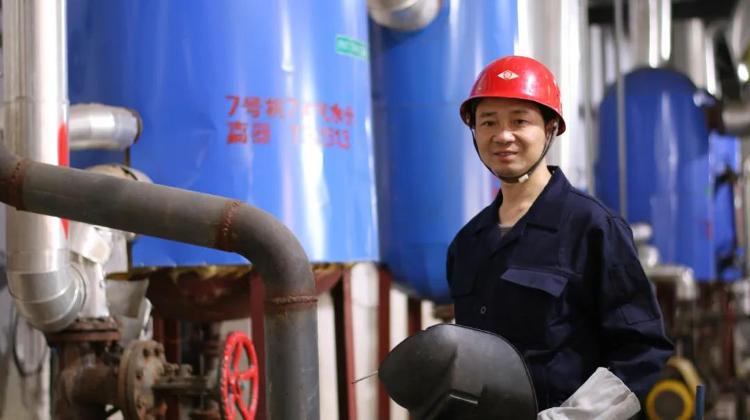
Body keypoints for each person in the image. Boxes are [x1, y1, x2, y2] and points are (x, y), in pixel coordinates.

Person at [446, 55, 674, 410]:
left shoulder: (593, 227)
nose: (502, 135)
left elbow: (642, 351)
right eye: (488, 122)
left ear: (551, 127)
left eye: (519, 121)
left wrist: (571, 418)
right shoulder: (467, 244)